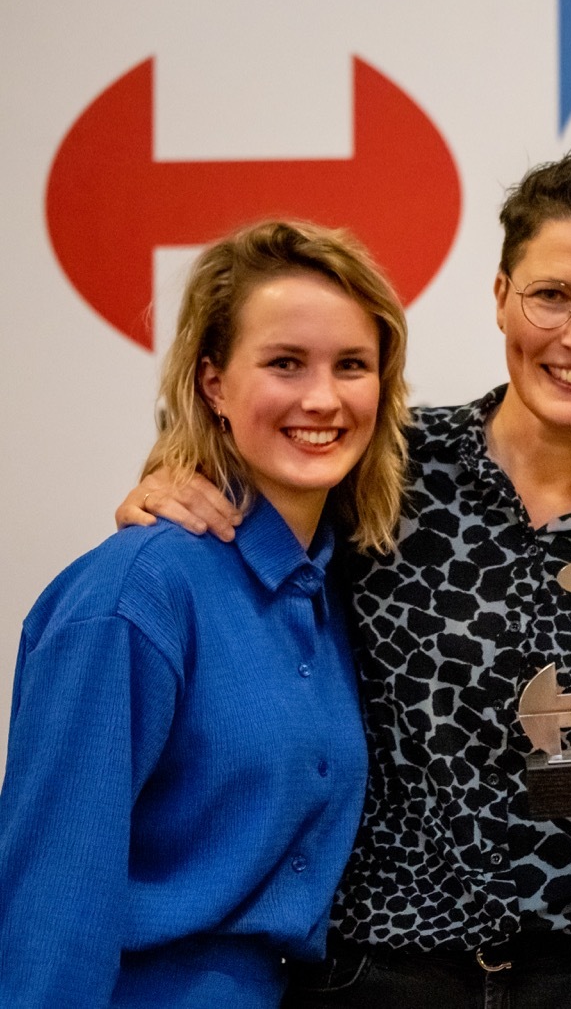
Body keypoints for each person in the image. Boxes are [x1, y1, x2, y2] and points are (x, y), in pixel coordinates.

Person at [114, 146, 571, 1008]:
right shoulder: (386, 463)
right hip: (370, 972)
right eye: (551, 296)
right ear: (500, 296)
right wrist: (171, 477)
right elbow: (246, 489)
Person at [0, 220, 410, 1007]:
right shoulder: (131, 596)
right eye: (285, 363)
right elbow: (53, 902)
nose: (322, 398)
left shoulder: (337, 582)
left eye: (351, 365)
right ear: (213, 381)